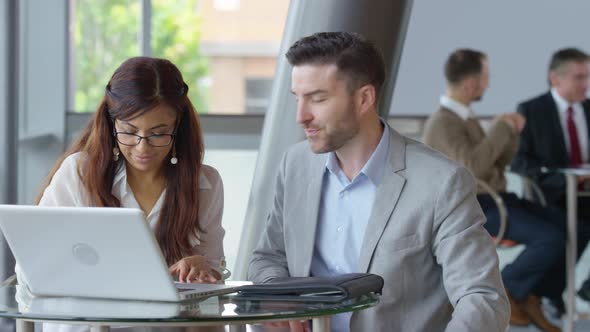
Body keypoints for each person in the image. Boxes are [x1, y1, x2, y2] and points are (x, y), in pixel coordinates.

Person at [248, 32, 509, 332]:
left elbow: (482, 297)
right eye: (297, 98)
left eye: (317, 99)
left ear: (364, 99)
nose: (301, 116)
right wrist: (282, 299)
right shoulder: (295, 165)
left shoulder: (440, 182)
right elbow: (268, 257)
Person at [16, 57, 226, 332]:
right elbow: (30, 268)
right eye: (129, 132)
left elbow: (214, 281)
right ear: (111, 124)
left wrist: (203, 269)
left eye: (158, 134)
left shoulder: (205, 183)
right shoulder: (79, 173)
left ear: (178, 128)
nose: (142, 147)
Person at [423, 48, 564, 332]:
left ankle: (528, 294)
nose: (488, 84)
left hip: (498, 198)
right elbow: (472, 170)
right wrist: (501, 128)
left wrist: (509, 133)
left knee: (569, 226)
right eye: (486, 78)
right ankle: (509, 290)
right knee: (550, 237)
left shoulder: (465, 118)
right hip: (479, 205)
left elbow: (495, 165)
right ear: (471, 82)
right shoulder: (443, 123)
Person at [511, 47, 590, 312]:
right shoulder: (532, 110)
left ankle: (581, 288)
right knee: (577, 227)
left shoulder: (588, 109)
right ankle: (547, 292)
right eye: (579, 77)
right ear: (556, 78)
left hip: (587, 192)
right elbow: (520, 161)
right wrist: (559, 178)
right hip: (552, 195)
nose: (586, 84)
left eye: (588, 77)